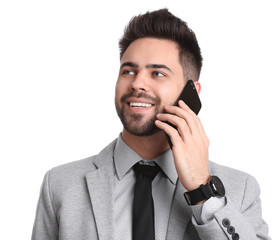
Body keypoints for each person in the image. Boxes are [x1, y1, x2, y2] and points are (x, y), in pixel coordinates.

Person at [31, 8, 271, 240]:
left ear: (192, 93)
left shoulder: (241, 189)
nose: (137, 84)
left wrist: (202, 189)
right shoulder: (60, 185)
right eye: (128, 71)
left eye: (157, 73)